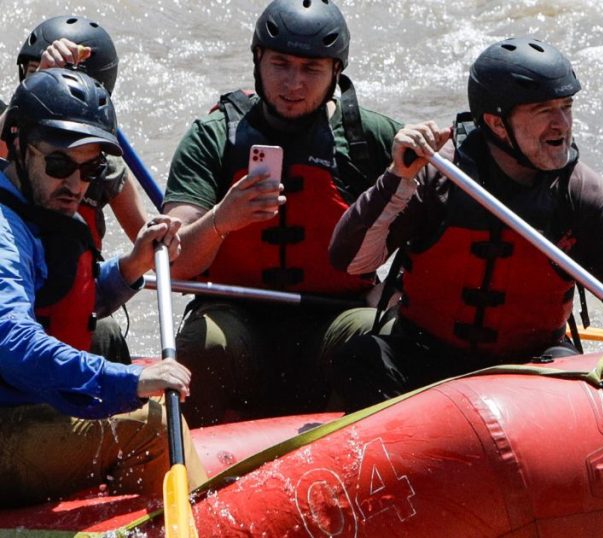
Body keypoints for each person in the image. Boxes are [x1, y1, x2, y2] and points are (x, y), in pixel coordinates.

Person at [328, 37, 603, 411]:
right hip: (427, 355)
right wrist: (397, 178)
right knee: (359, 357)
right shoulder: (437, 176)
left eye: (566, 106)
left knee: (581, 379)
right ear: (496, 123)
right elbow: (350, 262)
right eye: (543, 110)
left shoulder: (580, 194)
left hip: (532, 366)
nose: (562, 124)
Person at [163, 0, 401, 426]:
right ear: (258, 60)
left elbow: (432, 234)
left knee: (381, 332)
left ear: (335, 73)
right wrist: (221, 220)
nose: (293, 83)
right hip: (237, 321)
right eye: (280, 64)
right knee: (204, 343)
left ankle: (349, 454)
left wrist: (398, 293)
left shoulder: (371, 138)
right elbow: (175, 264)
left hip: (333, 320)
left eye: (311, 69)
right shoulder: (212, 137)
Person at [0, 68, 205, 506]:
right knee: (152, 422)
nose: (75, 185)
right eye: (59, 164)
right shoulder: (3, 232)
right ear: (17, 145)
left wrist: (133, 265)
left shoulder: (37, 208)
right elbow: (12, 341)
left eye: (91, 168)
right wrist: (129, 381)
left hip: (24, 409)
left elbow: (66, 301)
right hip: (7, 427)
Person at [4, 15, 152, 365]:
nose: (75, 181)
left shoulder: (105, 163)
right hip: (19, 339)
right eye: (33, 74)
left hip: (69, 301)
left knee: (106, 333)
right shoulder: (14, 139)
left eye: (88, 169)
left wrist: (219, 221)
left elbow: (153, 240)